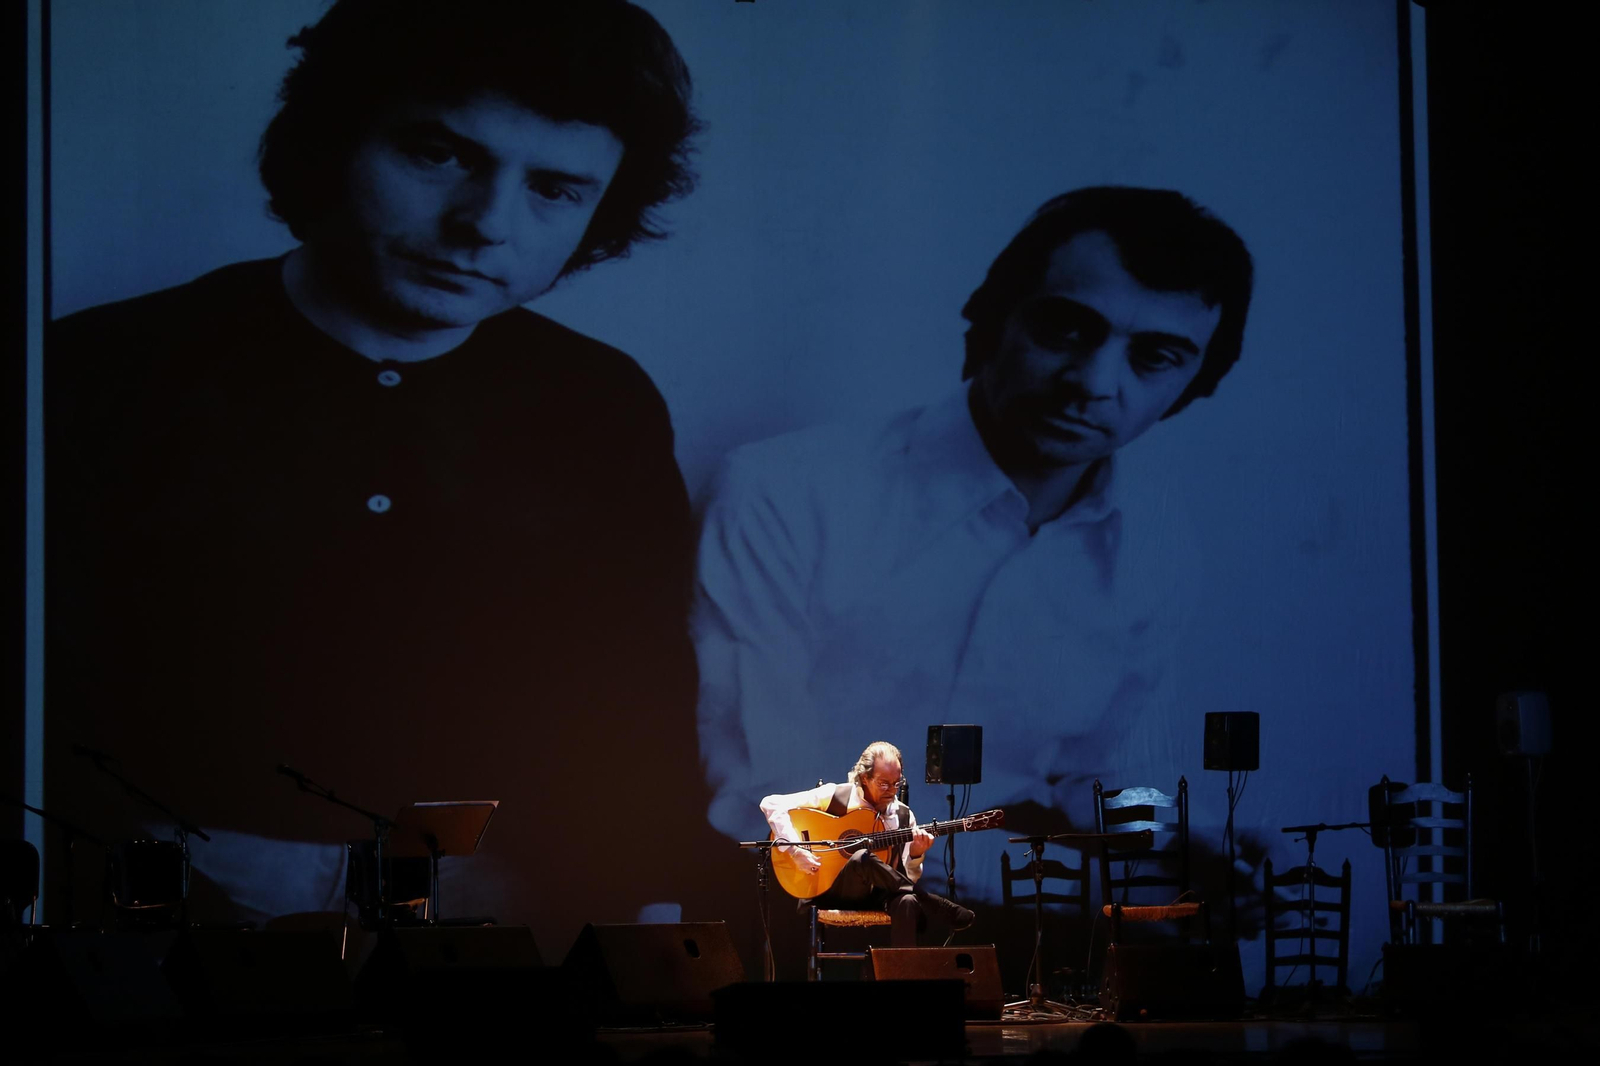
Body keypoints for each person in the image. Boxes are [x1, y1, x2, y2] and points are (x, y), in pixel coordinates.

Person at [45, 0, 712, 949]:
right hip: (146, 936)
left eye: (556, 189)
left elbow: (636, 701)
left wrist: (601, 906)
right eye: (440, 154)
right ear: (332, 141)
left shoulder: (601, 403)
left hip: (496, 944)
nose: (486, 224)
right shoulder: (100, 370)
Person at [697, 186, 1255, 900]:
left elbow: (1089, 778)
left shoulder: (1155, 545)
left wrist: (1182, 842)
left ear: (1193, 385)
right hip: (808, 922)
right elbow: (762, 792)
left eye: (1156, 357)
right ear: (991, 320)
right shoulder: (783, 491)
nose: (1093, 383)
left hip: (1031, 920)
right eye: (1066, 330)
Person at [760, 742, 973, 947]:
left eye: (896, 783)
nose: (892, 790)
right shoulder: (837, 796)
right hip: (832, 890)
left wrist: (916, 855)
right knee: (862, 857)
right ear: (864, 777)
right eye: (883, 783)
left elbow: (904, 880)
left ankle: (905, 979)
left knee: (907, 900)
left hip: (877, 896)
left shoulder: (903, 816)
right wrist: (795, 850)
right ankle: (932, 902)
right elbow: (771, 803)